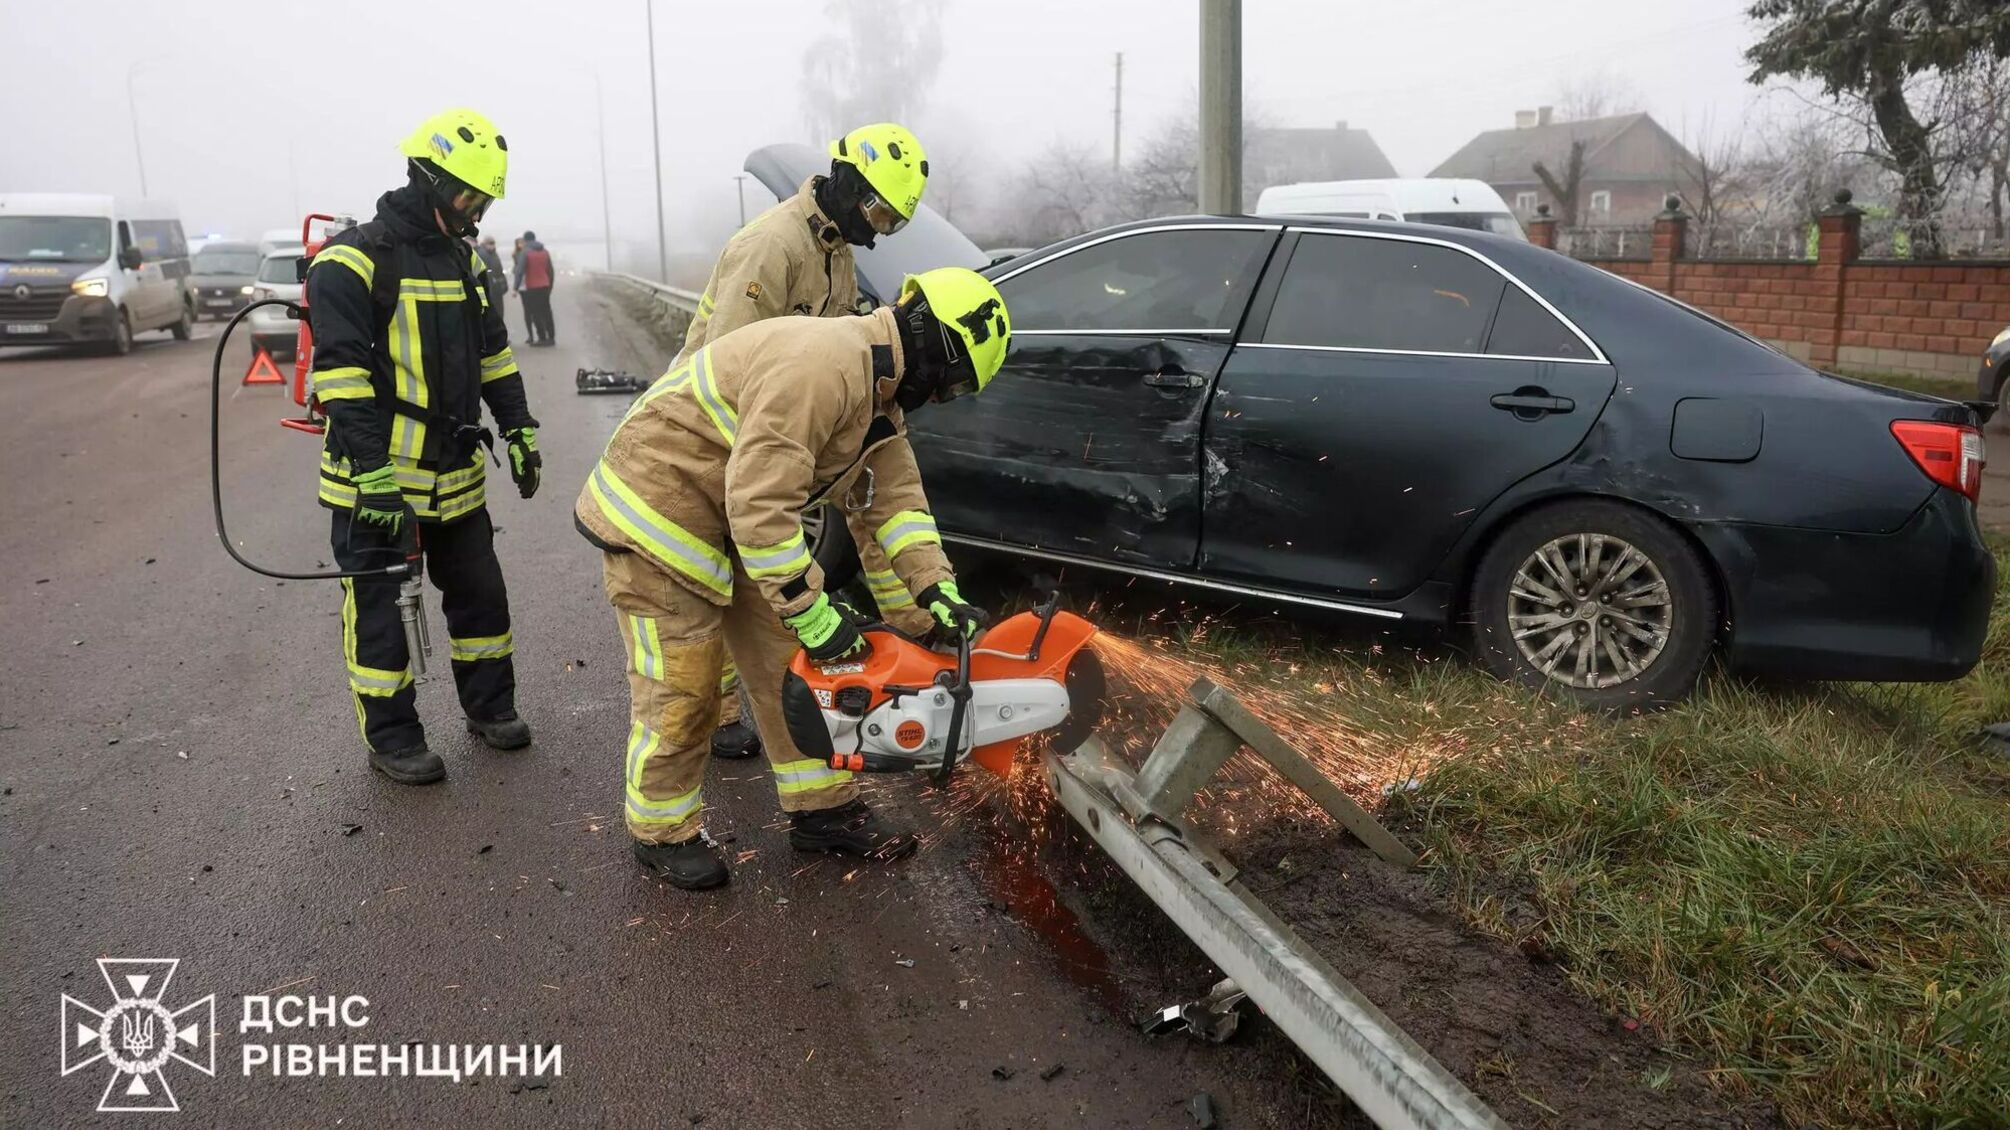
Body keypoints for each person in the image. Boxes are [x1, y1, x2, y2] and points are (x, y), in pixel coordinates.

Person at [573, 267, 1009, 890]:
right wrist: (812, 609)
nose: (942, 399)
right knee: (686, 687)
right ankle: (661, 831)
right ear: (937, 346)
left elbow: (896, 508)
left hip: (729, 517)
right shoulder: (822, 367)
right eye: (952, 383)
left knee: (792, 665)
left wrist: (937, 593)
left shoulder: (877, 397)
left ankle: (822, 812)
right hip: (658, 515)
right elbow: (760, 502)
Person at [673, 122, 936, 765]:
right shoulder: (773, 246)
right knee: (715, 581)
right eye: (877, 212)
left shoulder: (836, 248)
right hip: (720, 437)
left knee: (751, 576)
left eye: (893, 225)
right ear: (845, 180)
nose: (878, 230)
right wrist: (764, 471)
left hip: (779, 430)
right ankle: (719, 713)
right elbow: (730, 364)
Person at [306, 107, 544, 786]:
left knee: (480, 598)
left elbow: (494, 356)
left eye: (484, 198)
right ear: (428, 177)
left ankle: (491, 709)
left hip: (457, 475)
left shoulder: (467, 262)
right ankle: (393, 739)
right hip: (375, 483)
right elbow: (343, 378)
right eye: (467, 194)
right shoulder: (351, 262)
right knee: (381, 617)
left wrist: (519, 427)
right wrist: (373, 475)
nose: (476, 210)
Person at [513, 230, 556, 346]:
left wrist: (515, 288)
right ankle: (551, 338)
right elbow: (550, 270)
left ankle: (542, 338)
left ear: (526, 240)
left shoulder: (525, 253)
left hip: (532, 286)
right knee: (547, 312)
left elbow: (519, 271)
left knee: (535, 313)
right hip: (545, 285)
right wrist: (550, 285)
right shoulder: (545, 251)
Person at [474, 234, 507, 305]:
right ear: (484, 244)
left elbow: (499, 270)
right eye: (490, 243)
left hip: (496, 286)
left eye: (493, 243)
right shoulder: (483, 254)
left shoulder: (494, 254)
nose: (492, 245)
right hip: (491, 286)